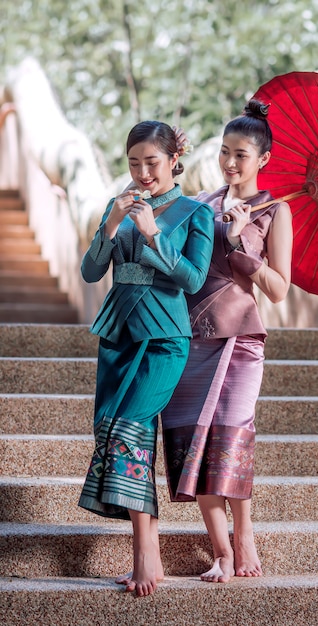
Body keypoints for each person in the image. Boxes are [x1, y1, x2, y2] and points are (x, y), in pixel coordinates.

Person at [77, 120, 214, 597]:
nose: (142, 173)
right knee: (111, 430)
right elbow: (92, 271)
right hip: (117, 335)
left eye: (151, 163)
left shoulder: (195, 212)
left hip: (164, 339)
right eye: (133, 164)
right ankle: (145, 548)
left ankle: (145, 554)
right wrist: (112, 224)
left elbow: (193, 280)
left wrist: (155, 234)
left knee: (129, 429)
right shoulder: (119, 206)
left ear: (175, 159)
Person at [161, 99, 293, 583]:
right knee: (190, 443)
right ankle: (221, 552)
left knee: (231, 441)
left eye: (241, 154)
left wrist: (240, 243)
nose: (230, 163)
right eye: (224, 152)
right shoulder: (198, 205)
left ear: (264, 160)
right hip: (190, 339)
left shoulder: (276, 211)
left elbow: (279, 290)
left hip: (241, 341)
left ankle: (244, 533)